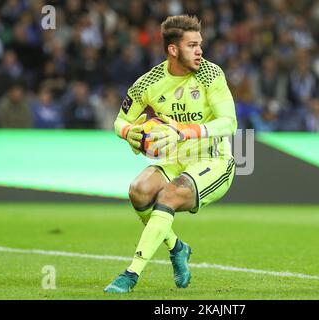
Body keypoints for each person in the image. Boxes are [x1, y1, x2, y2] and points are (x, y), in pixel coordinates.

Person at [104, 15, 237, 293]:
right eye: (192, 45)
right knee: (138, 190)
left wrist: (184, 131)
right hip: (176, 159)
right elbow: (119, 121)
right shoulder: (148, 83)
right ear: (173, 50)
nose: (200, 51)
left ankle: (131, 274)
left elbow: (229, 122)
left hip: (213, 161)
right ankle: (177, 248)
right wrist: (130, 132)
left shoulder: (211, 74)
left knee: (168, 196)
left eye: (200, 44)